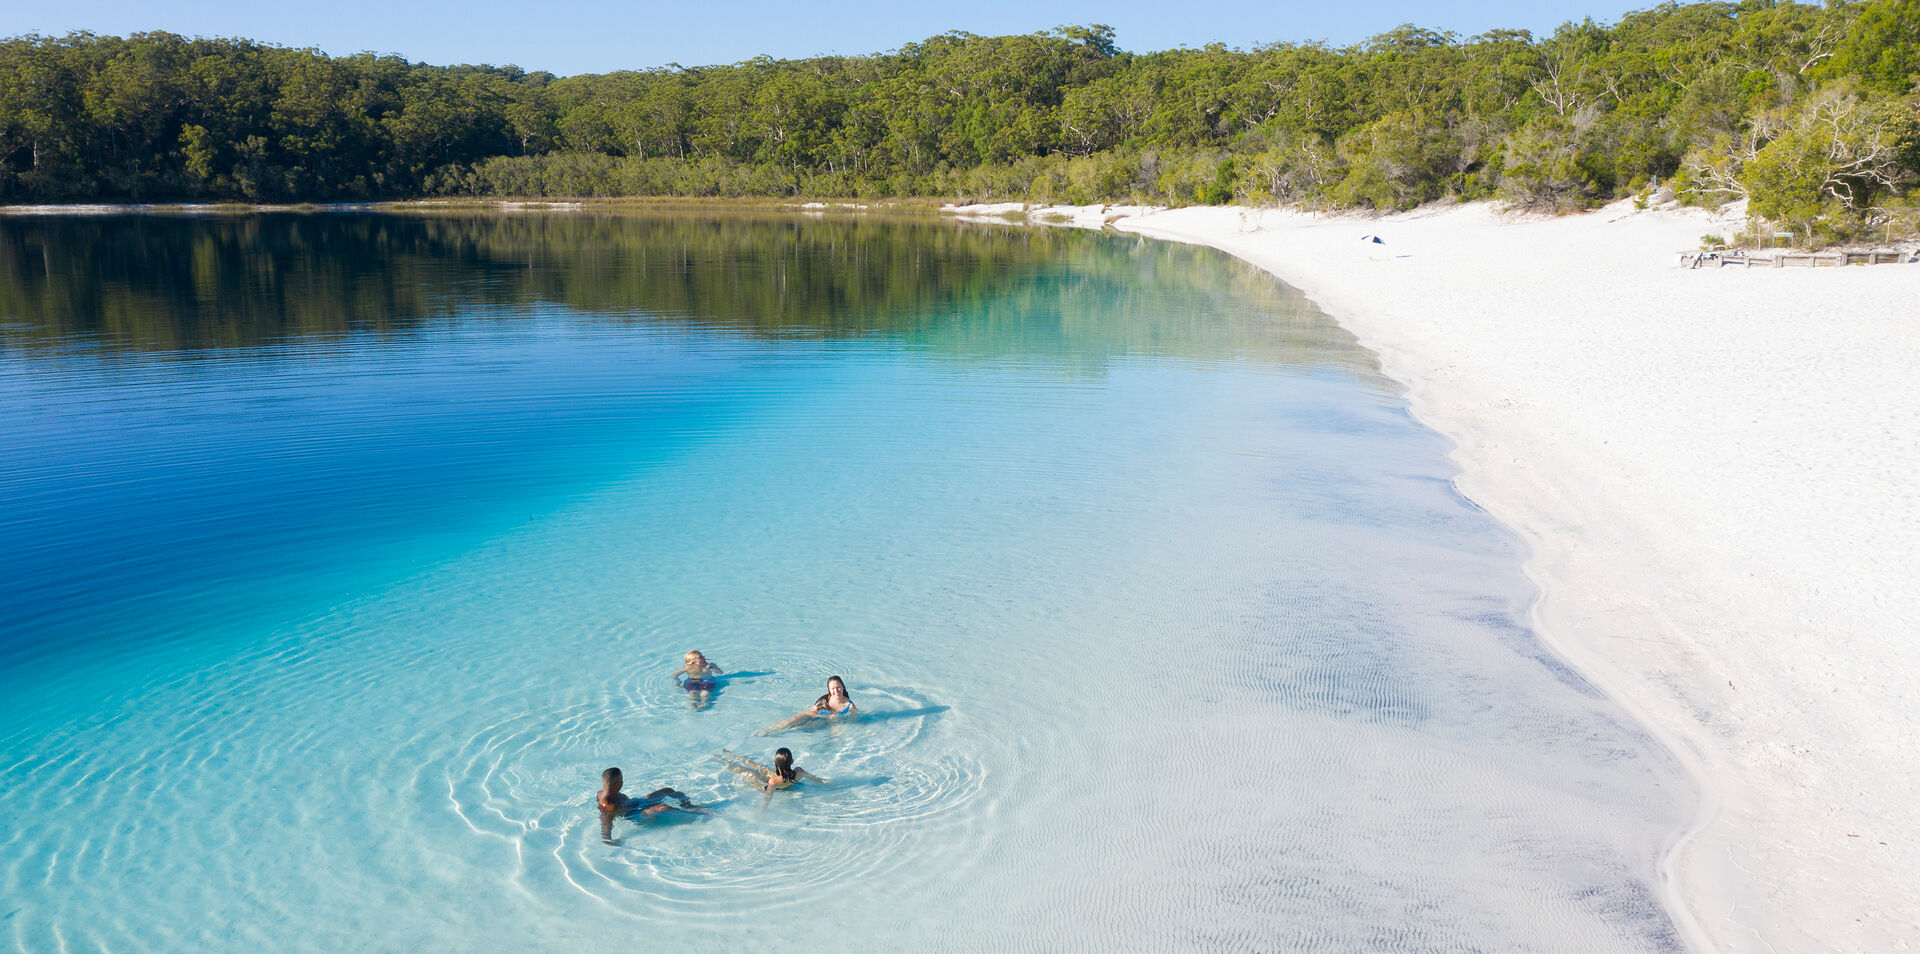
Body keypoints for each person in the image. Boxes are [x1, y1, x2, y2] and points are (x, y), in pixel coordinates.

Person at [596, 767, 708, 844]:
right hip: (635, 814)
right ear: (617, 784)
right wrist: (608, 840)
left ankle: (689, 806)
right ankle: (697, 815)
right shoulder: (609, 805)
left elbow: (600, 803)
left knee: (668, 790)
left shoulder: (600, 793)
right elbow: (606, 821)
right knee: (662, 807)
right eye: (621, 780)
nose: (623, 782)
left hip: (637, 802)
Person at [715, 747, 828, 808]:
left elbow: (768, 795)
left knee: (750, 772)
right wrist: (824, 782)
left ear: (775, 763)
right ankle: (730, 756)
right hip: (781, 782)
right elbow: (815, 779)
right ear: (792, 761)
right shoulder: (799, 771)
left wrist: (764, 808)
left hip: (771, 786)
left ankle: (726, 759)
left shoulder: (773, 780)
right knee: (760, 768)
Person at [758, 675, 857, 735]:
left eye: (838, 687)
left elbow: (853, 720)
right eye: (833, 688)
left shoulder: (850, 705)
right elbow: (811, 711)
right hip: (813, 714)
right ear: (829, 690)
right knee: (789, 722)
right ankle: (766, 731)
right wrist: (827, 716)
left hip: (823, 721)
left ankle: (779, 735)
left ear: (843, 687)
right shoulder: (824, 700)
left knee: (797, 729)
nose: (836, 691)